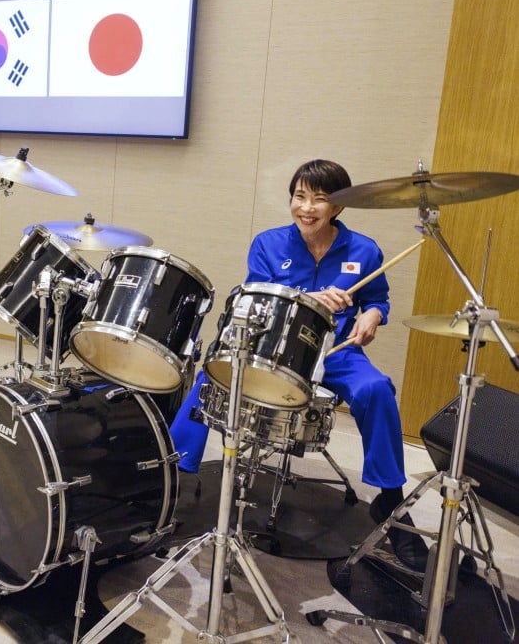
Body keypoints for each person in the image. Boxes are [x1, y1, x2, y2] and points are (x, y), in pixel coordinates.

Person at [169, 159, 429, 571]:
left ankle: (390, 502)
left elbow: (377, 298)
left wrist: (371, 316)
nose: (307, 208)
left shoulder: (364, 249)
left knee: (377, 389)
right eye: (299, 197)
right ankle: (176, 480)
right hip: (274, 347)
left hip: (337, 351)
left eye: (320, 199)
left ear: (339, 207)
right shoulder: (268, 243)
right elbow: (258, 297)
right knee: (211, 377)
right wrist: (310, 298)